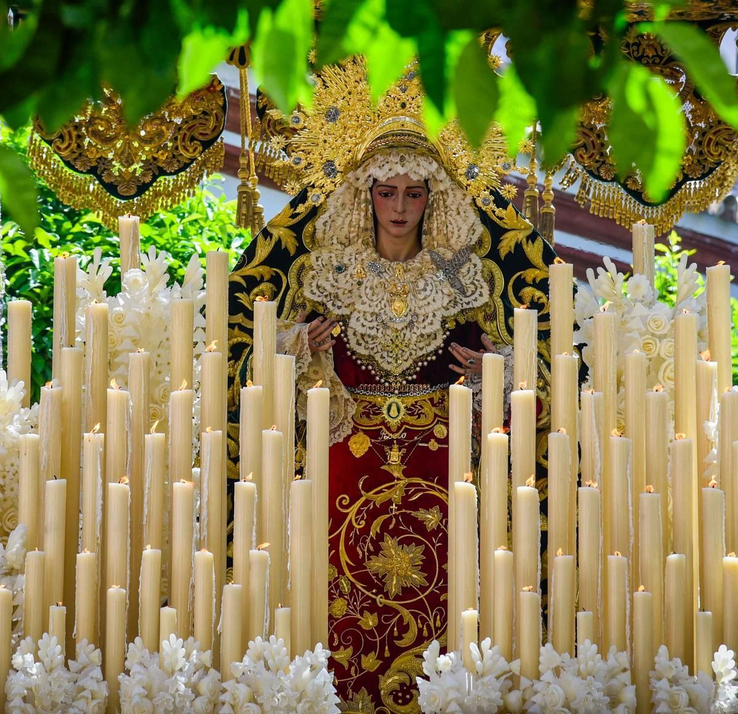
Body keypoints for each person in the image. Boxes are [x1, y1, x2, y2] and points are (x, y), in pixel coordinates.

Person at [228, 59, 558, 713]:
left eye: (413, 193)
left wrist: (494, 369)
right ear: (365, 195)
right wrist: (299, 351)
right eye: (387, 192)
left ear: (433, 197)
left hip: (444, 470)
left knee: (444, 603)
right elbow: (260, 367)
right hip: (345, 464)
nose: (400, 208)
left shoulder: (464, 278)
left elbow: (526, 378)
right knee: (342, 608)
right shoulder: (330, 275)